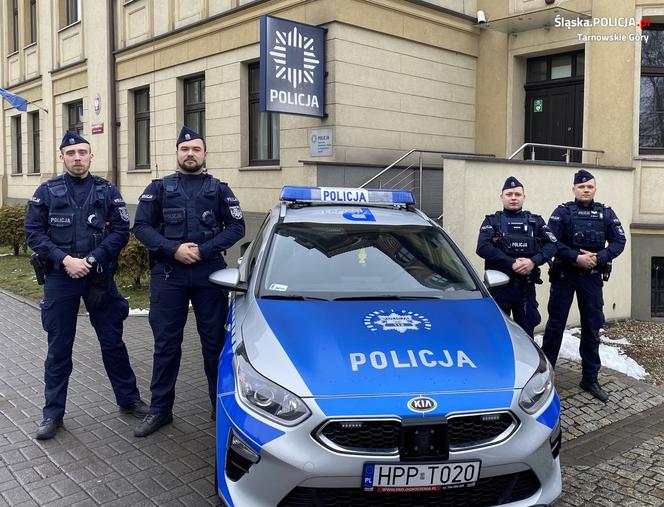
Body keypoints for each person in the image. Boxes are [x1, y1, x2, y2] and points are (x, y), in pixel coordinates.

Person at [24, 131, 149, 440]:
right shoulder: (46, 192)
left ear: (92, 156)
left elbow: (120, 231)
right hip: (59, 278)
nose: (77, 157)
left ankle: (129, 399)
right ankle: (52, 413)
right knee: (58, 349)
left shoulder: (107, 191)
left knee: (113, 344)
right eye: (71, 153)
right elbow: (33, 233)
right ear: (62, 157)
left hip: (98, 277)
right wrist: (64, 260)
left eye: (83, 152)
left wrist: (92, 259)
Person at [133, 126, 245, 437]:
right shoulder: (159, 188)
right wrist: (173, 249)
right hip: (169, 276)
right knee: (166, 345)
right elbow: (141, 226)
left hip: (210, 275)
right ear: (177, 154)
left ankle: (218, 404)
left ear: (205, 154)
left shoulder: (219, 189)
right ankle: (160, 409)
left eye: (196, 149)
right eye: (185, 149)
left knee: (214, 345)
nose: (191, 154)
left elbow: (237, 227)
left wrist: (203, 249)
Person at [541, 170, 626, 402]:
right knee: (555, 326)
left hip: (591, 277)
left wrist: (600, 257)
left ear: (595, 189)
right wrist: (574, 257)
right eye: (581, 187)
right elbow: (550, 241)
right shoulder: (562, 212)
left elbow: (619, 240)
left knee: (591, 327)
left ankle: (590, 378)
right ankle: (545, 379)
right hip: (565, 276)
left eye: (589, 186)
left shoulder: (605, 214)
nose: (585, 190)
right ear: (574, 190)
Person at [476, 176, 557, 338]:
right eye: (509, 194)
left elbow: (552, 245)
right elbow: (482, 247)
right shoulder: (492, 221)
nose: (513, 198)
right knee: (499, 334)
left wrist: (533, 262)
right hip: (500, 288)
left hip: (525, 289)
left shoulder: (536, 222)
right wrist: (511, 263)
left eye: (518, 194)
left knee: (526, 335)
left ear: (524, 197)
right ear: (502, 197)